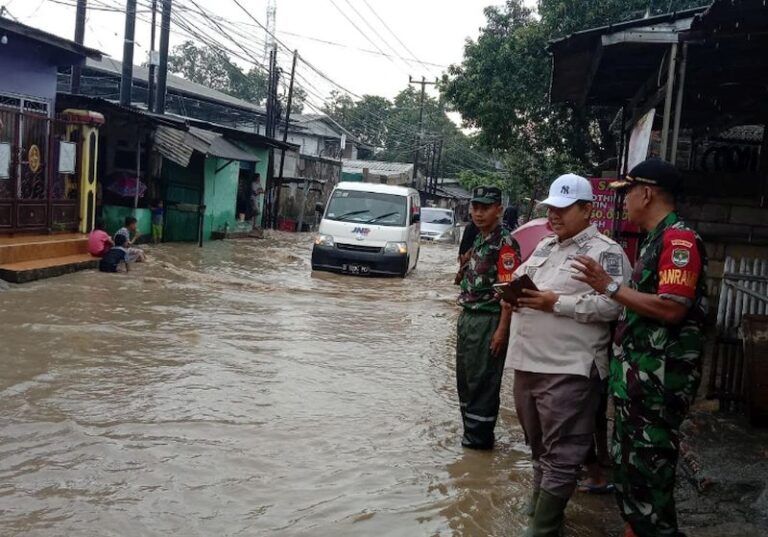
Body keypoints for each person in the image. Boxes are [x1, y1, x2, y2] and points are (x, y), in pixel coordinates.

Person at [573, 158, 707, 537]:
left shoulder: (678, 241)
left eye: (628, 192)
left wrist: (609, 286)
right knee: (632, 469)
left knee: (651, 472)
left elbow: (672, 308)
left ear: (646, 194)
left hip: (658, 384)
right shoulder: (654, 240)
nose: (624, 201)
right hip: (638, 381)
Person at [506, 174, 631, 537]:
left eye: (563, 208)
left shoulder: (605, 252)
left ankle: (543, 527)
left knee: (563, 451)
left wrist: (555, 303)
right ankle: (540, 509)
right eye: (551, 208)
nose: (554, 215)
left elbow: (613, 306)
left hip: (570, 367)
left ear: (587, 209)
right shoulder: (545, 246)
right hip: (527, 362)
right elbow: (523, 279)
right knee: (538, 445)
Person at [456, 186, 521, 450]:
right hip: (468, 317)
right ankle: (470, 439)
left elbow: (509, 291)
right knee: (466, 382)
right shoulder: (479, 239)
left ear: (499, 210)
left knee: (483, 383)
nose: (479, 213)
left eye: (485, 208)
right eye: (475, 208)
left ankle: (479, 443)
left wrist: (502, 330)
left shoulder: (505, 243)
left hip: (488, 320)